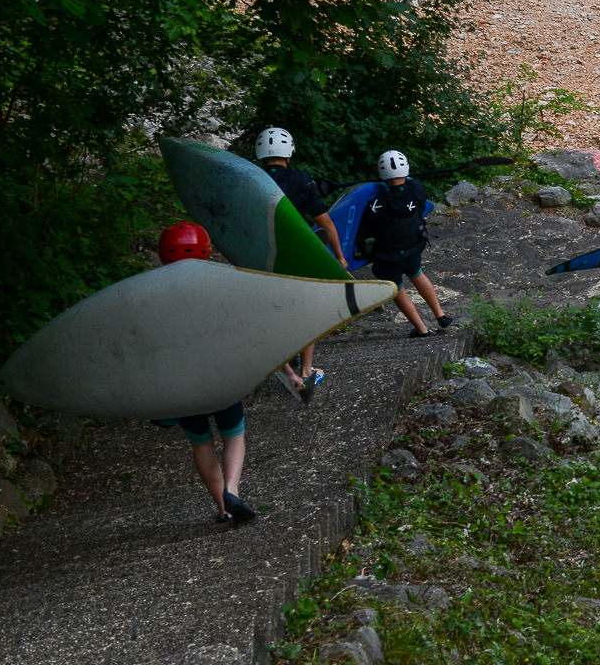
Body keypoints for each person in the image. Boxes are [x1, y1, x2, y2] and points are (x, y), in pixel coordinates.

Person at [152, 222, 255, 522]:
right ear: (206, 252)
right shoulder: (219, 284)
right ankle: (232, 491)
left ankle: (223, 511)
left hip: (181, 386)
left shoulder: (150, 293)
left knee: (201, 443)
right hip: (219, 379)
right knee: (234, 435)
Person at [255, 126, 348, 402]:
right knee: (307, 312)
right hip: (297, 255)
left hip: (262, 257)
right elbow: (324, 223)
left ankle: (285, 360)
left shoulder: (251, 180)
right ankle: (306, 371)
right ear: (289, 153)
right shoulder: (302, 180)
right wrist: (339, 257)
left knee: (275, 311)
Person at [360, 150, 451, 337]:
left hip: (389, 256)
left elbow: (364, 231)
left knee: (398, 288)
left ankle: (422, 329)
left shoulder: (376, 204)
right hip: (413, 249)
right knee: (417, 274)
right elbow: (412, 186)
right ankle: (440, 315)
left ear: (381, 174)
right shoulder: (417, 190)